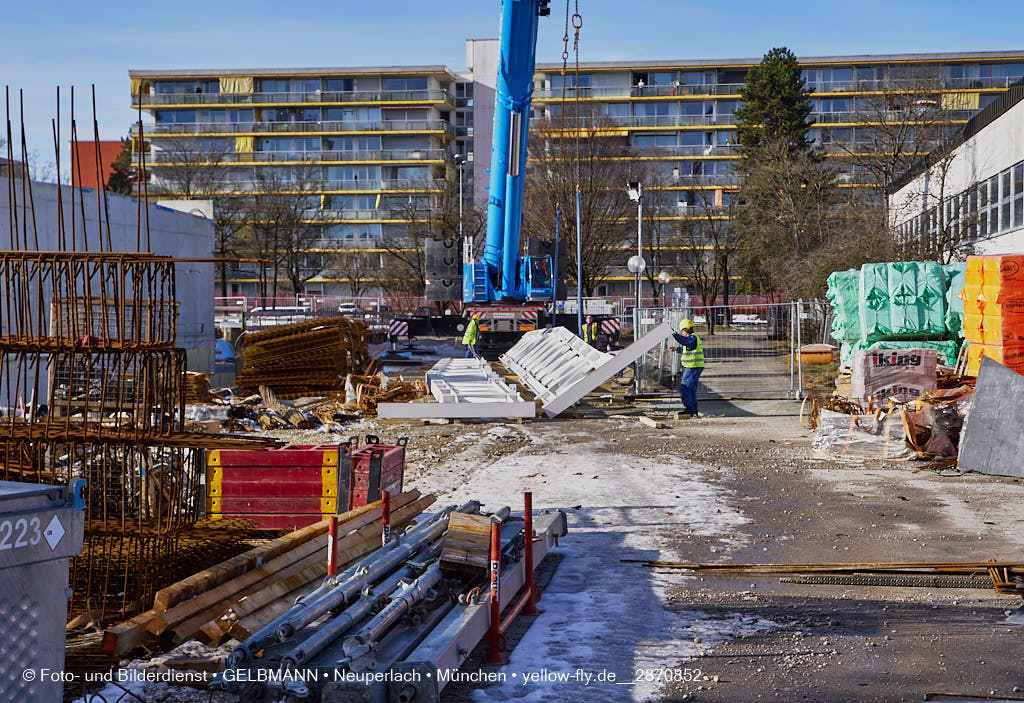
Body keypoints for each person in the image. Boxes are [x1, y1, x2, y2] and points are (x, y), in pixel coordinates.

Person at [673, 318, 704, 416]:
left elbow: (685, 342)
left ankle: (690, 409)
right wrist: (677, 349)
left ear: (685, 330)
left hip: (693, 367)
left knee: (685, 387)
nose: (681, 333)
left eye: (682, 332)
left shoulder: (692, 338)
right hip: (694, 367)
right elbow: (688, 349)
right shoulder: (692, 339)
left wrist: (674, 334)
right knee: (691, 389)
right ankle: (693, 409)